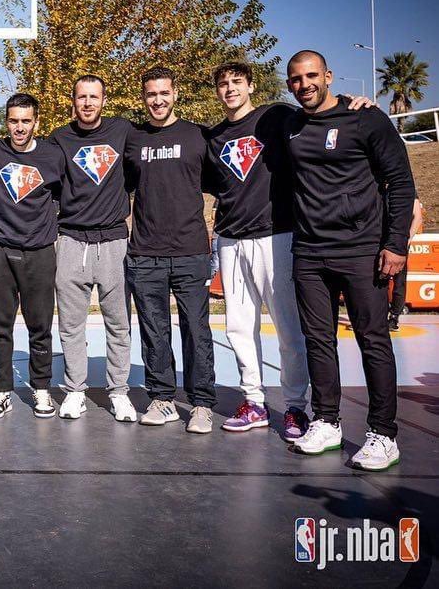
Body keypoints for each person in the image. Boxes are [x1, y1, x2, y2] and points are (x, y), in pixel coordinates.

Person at [283, 50, 415, 471]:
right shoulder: (289, 124)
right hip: (309, 250)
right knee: (318, 340)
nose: (304, 85)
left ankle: (383, 433)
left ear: (329, 75)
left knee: (372, 339)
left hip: (361, 249)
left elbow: (401, 181)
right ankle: (326, 421)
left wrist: (395, 245)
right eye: (296, 79)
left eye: (311, 76)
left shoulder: (366, 118)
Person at [204, 62, 312, 439]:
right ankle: (254, 401)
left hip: (275, 235)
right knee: (238, 327)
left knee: (287, 327)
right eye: (223, 84)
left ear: (250, 85)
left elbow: (319, 117)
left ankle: (297, 406)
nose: (230, 89)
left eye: (236, 82)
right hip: (231, 239)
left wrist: (353, 102)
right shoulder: (213, 137)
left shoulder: (276, 116)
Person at [125, 66, 217, 434]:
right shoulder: (134, 140)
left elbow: (221, 184)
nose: (158, 100)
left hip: (191, 250)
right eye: (151, 94)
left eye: (164, 93)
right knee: (154, 330)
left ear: (175, 93)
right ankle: (162, 398)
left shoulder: (198, 136)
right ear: (143, 97)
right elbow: (125, 187)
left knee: (196, 329)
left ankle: (201, 404)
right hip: (145, 252)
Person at [49, 75, 137, 421]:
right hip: (72, 241)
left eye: (94, 97)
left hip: (114, 241)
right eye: (82, 97)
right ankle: (75, 391)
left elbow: (136, 174)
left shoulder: (123, 131)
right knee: (71, 325)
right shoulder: (59, 138)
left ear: (104, 100)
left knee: (119, 324)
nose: (88, 103)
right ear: (73, 100)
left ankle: (119, 391)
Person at [0, 93, 62, 420]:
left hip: (39, 250)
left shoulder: (53, 157)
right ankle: (2, 390)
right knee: (0, 327)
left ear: (36, 122)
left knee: (40, 326)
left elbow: (69, 195)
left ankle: (41, 387)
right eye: (14, 121)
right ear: (6, 122)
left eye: (26, 121)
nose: (20, 127)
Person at [388, 198, 424, 331]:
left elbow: (418, 217)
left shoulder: (406, 186)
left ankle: (394, 317)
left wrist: (406, 238)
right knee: (376, 278)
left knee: (399, 280)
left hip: (398, 240)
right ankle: (375, 317)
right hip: (378, 238)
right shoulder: (376, 185)